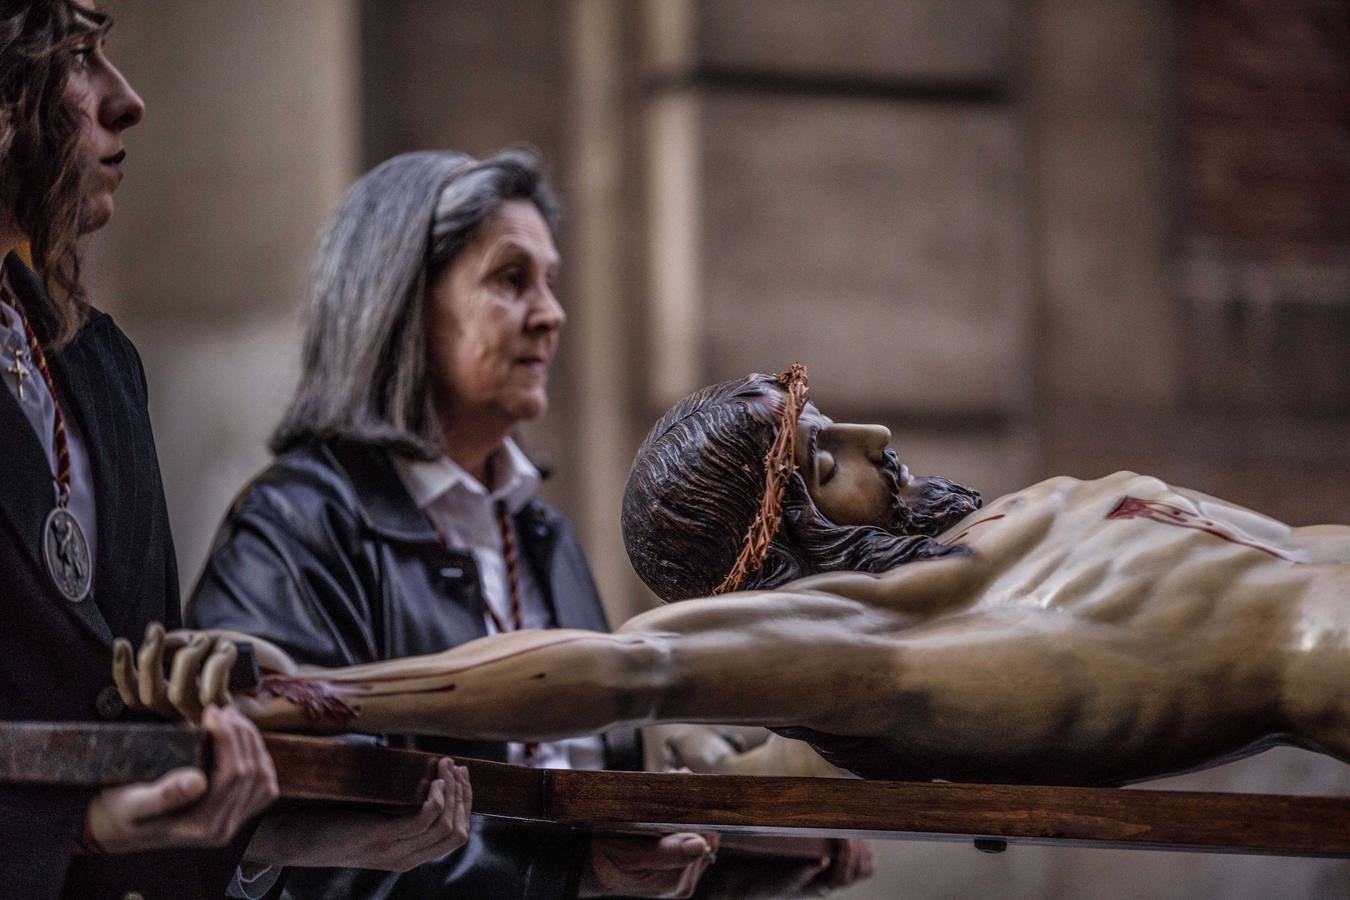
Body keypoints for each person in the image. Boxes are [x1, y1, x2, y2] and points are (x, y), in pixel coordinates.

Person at [120, 365, 1350, 789]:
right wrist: (314, 694)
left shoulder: (984, 548)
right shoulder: (876, 644)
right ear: (784, 558)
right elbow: (629, 666)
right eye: (827, 460)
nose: (875, 444)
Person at [181, 149, 761, 899]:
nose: (551, 314)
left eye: (550, 282)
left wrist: (754, 862)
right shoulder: (296, 524)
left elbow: (604, 803)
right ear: (399, 303)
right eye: (510, 279)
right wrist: (567, 875)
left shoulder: (545, 537)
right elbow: (289, 840)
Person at [0, 4, 470, 898]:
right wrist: (78, 830)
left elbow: (141, 744)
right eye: (75, 57)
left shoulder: (97, 367)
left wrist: (316, 840)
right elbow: (87, 812)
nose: (127, 99)